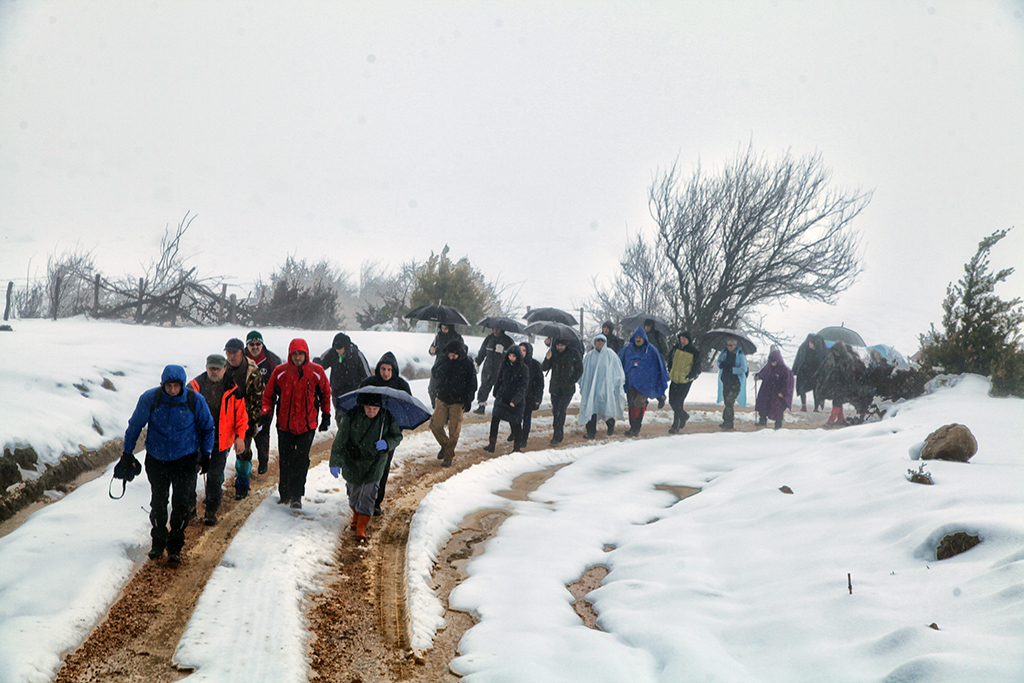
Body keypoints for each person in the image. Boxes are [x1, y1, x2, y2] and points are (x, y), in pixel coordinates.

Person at [120, 365, 215, 563]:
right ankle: (157, 543)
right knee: (158, 503)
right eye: (169, 386)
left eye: (176, 386)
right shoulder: (150, 399)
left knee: (181, 505)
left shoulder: (194, 400)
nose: (173, 390)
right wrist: (127, 453)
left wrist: (205, 455)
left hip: (185, 459)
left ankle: (175, 547)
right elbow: (135, 425)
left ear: (182, 385)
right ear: (163, 384)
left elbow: (207, 428)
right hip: (157, 459)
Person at [262, 338, 331, 509]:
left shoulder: (317, 372)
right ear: (290, 354)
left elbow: (326, 394)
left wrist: (326, 415)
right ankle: (284, 492)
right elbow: (267, 395)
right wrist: (265, 413)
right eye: (295, 354)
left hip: (307, 425)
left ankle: (296, 495)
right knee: (285, 459)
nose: (298, 357)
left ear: (306, 354)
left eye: (301, 353)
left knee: (300, 460)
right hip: (285, 424)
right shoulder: (280, 372)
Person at [329, 392, 403, 541]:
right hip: (353, 459)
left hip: (376, 461)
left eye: (375, 409)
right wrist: (335, 462)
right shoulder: (351, 416)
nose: (371, 412)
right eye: (368, 408)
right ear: (363, 406)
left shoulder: (386, 418)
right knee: (354, 492)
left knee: (369, 494)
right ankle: (356, 516)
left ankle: (361, 528)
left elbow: (397, 436)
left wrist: (387, 443)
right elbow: (341, 440)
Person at [188, 354, 248, 525]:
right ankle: (190, 507)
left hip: (220, 442)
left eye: (217, 368)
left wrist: (240, 437)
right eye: (211, 368)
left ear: (224, 369)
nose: (214, 371)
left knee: (215, 477)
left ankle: (211, 509)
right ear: (206, 367)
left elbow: (242, 417)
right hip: (196, 441)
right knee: (190, 475)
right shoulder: (193, 387)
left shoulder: (233, 389)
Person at [360, 351, 411, 515]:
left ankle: (376, 501)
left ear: (394, 370)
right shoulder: (370, 383)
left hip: (389, 433)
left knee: (382, 466)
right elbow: (359, 403)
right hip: (370, 429)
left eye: (389, 369)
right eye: (383, 369)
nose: (386, 373)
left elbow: (407, 407)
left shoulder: (402, 386)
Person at [224, 338, 264, 499]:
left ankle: (242, 483)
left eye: (235, 353)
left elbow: (257, 399)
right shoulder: (221, 368)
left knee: (243, 452)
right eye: (229, 353)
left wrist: (253, 422)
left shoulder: (252, 372)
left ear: (242, 353)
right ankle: (214, 488)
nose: (231, 356)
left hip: (245, 418)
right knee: (219, 453)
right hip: (224, 419)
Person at [430, 339, 478, 467]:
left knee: (454, 429)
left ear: (459, 353)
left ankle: (448, 456)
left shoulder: (467, 364)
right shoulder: (443, 359)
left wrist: (469, 399)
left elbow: (472, 384)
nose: (451, 357)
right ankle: (445, 446)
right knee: (435, 425)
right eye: (449, 355)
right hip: (442, 397)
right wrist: (445, 365)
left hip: (458, 400)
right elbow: (434, 373)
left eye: (453, 356)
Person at [618, 327, 670, 437]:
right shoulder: (628, 349)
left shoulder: (651, 350)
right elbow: (618, 361)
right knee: (631, 404)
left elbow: (659, 365)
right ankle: (632, 426)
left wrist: (659, 379)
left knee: (638, 403)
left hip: (645, 384)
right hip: (630, 383)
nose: (638, 339)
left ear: (644, 338)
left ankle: (636, 427)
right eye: (636, 337)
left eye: (640, 337)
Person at [243, 331, 281, 475]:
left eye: (258, 344)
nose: (255, 347)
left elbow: (279, 381)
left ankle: (263, 460)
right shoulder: (241, 358)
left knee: (262, 433)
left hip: (266, 404)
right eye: (252, 344)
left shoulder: (272, 359)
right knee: (244, 433)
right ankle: (245, 462)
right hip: (244, 404)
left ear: (262, 344)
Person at [578, 333, 626, 438]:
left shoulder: (611, 355)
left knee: (605, 407)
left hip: (605, 388)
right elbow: (584, 372)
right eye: (597, 340)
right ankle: (591, 432)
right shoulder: (589, 356)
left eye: (602, 341)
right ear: (594, 342)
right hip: (592, 389)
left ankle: (610, 424)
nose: (599, 343)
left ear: (605, 342)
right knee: (591, 408)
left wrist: (616, 384)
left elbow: (617, 370)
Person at [483, 344, 530, 452]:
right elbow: (499, 379)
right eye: (510, 356)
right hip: (502, 397)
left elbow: (523, 387)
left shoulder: (523, 369)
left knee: (516, 424)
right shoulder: (505, 365)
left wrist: (515, 400)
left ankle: (517, 447)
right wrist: (496, 391)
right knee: (495, 420)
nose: (511, 358)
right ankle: (492, 444)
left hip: (515, 401)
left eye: (514, 356)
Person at [316, 332, 371, 422]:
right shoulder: (332, 352)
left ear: (345, 346)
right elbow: (320, 365)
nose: (337, 350)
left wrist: (367, 389)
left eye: (339, 348)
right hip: (337, 392)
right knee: (339, 418)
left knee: (352, 418)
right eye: (335, 348)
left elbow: (366, 374)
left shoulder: (356, 355)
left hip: (353, 393)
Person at [541, 337, 583, 444]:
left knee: (561, 410)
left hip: (567, 389)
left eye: (562, 345)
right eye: (558, 345)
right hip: (555, 387)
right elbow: (544, 367)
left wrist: (572, 380)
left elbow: (579, 369)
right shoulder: (553, 353)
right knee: (555, 411)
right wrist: (547, 358)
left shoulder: (573, 353)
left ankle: (558, 435)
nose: (559, 347)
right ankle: (557, 431)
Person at [474, 326, 515, 414]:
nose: (496, 330)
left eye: (498, 329)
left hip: (501, 370)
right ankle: (481, 406)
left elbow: (513, 356)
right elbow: (482, 352)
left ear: (502, 329)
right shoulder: (489, 339)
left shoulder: (508, 341)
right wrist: (477, 362)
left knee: (501, 390)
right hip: (488, 368)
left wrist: (503, 353)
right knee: (484, 387)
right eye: (494, 328)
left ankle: (502, 408)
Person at [666, 330, 701, 433]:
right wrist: (670, 369)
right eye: (681, 339)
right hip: (675, 379)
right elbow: (670, 359)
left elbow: (697, 368)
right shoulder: (676, 348)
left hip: (685, 381)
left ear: (689, 340)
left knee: (678, 403)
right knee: (672, 401)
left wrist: (690, 376)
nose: (682, 341)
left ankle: (675, 426)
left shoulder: (694, 351)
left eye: (684, 339)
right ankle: (684, 416)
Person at [754, 348, 795, 430]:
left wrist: (783, 392)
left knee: (778, 409)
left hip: (777, 393)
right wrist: (758, 376)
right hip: (767, 390)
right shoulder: (768, 367)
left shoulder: (785, 370)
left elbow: (788, 383)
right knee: (763, 404)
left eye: (774, 362)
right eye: (771, 362)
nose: (772, 364)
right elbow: (764, 373)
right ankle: (762, 420)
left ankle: (778, 424)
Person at [427, 323, 466, 405]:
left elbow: (463, 352)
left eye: (446, 328)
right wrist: (432, 350)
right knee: (432, 388)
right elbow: (433, 349)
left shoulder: (457, 338)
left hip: (452, 367)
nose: (443, 330)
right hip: (439, 365)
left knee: (448, 390)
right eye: (442, 328)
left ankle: (447, 408)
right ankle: (436, 406)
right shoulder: (439, 336)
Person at [716, 338, 748, 430]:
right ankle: (726, 420)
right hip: (726, 380)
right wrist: (722, 365)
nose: (729, 347)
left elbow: (743, 369)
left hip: (735, 382)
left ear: (735, 345)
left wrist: (732, 369)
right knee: (727, 401)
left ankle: (729, 422)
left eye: (731, 345)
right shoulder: (724, 353)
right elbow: (719, 362)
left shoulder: (740, 355)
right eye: (727, 345)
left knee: (730, 401)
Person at [792, 333, 827, 412]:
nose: (809, 344)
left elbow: (822, 362)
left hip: (816, 374)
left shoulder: (821, 351)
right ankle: (803, 405)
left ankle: (816, 407)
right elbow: (799, 360)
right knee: (802, 389)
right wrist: (795, 370)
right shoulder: (804, 348)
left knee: (816, 390)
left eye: (811, 343)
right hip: (804, 373)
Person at [518, 341, 545, 445]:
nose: (521, 352)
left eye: (524, 350)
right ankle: (516, 433)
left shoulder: (535, 365)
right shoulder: (514, 363)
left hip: (529, 396)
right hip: (517, 396)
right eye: (520, 350)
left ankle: (524, 438)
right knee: (515, 417)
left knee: (526, 417)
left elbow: (539, 383)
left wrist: (538, 398)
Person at [643, 319, 670, 408]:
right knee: (643, 381)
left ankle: (660, 397)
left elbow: (665, 351)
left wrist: (658, 358)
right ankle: (644, 400)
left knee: (654, 383)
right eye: (645, 326)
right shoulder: (642, 336)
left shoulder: (658, 336)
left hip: (656, 363)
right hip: (644, 363)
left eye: (648, 326)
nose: (646, 328)